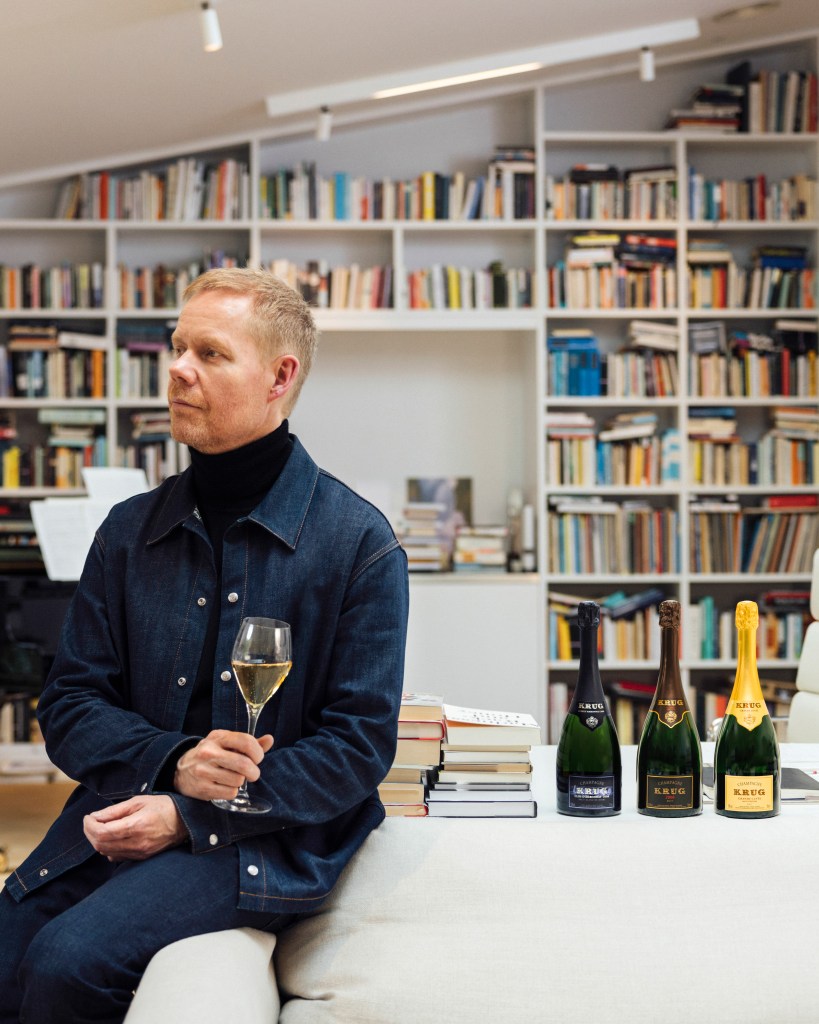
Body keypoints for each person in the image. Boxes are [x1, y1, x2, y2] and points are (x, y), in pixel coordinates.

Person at [0, 267, 409, 1022]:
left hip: (268, 838)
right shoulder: (127, 531)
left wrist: (192, 814)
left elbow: (356, 749)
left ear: (278, 377)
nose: (178, 369)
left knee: (66, 962)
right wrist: (175, 765)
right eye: (177, 347)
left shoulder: (359, 544)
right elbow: (69, 704)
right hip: (123, 810)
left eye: (211, 354)